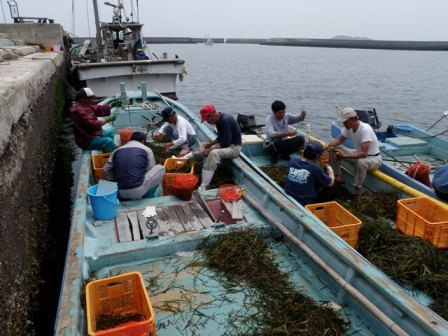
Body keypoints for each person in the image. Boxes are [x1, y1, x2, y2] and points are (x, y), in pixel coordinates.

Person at [324, 107, 382, 195]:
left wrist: (344, 156)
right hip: (358, 154)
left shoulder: (365, 129)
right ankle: (338, 176)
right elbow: (340, 140)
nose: (344, 124)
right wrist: (327, 145)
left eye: (345, 122)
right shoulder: (348, 128)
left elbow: (363, 154)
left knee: (361, 162)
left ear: (353, 119)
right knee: (333, 149)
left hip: (373, 159)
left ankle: (357, 188)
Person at [104, 131, 165, 200]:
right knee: (160, 168)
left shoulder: (117, 150)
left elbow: (106, 169)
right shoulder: (146, 149)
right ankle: (147, 196)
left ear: (131, 139)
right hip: (137, 191)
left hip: (118, 191)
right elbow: (150, 169)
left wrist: (113, 182)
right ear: (143, 141)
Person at [197, 104, 242, 190]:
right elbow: (220, 137)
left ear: (212, 115)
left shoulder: (225, 120)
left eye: (207, 119)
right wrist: (210, 144)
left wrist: (210, 149)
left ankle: (204, 185)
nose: (207, 122)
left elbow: (225, 143)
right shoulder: (219, 120)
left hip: (234, 148)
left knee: (213, 153)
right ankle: (202, 167)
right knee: (203, 144)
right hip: (227, 145)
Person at [285, 141, 335, 206]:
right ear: (317, 156)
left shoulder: (292, 161)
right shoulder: (315, 167)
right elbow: (330, 183)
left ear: (304, 151)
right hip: (305, 202)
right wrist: (331, 172)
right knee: (332, 191)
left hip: (288, 196)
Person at [71, 87, 117, 153]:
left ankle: (108, 152)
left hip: (93, 134)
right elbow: (94, 124)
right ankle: (110, 157)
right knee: (108, 141)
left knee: (110, 132)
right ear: (82, 98)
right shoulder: (79, 111)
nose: (91, 100)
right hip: (86, 140)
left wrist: (111, 106)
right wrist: (108, 119)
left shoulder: (86, 105)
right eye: (89, 98)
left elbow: (98, 109)